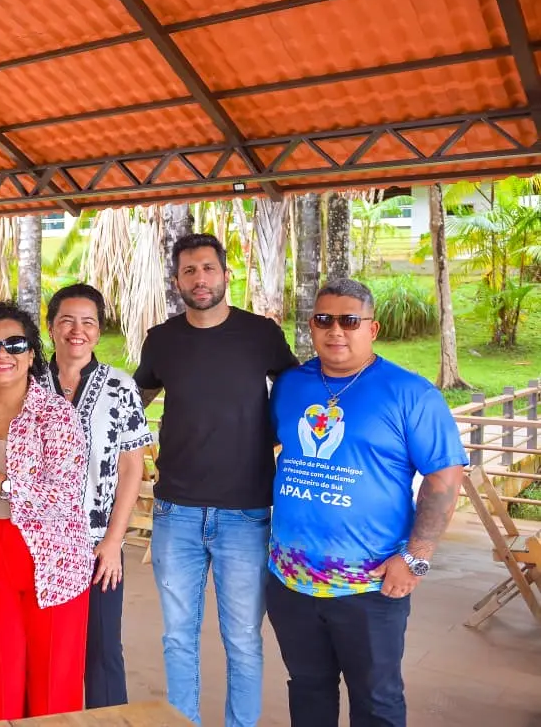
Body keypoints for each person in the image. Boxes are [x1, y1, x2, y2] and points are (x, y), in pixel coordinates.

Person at [266, 278, 466, 727]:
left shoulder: (411, 394)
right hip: (289, 581)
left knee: (376, 700)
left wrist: (416, 557)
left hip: (370, 584)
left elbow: (444, 475)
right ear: (312, 327)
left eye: (349, 321)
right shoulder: (291, 386)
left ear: (371, 330)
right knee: (307, 688)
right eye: (324, 320)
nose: (336, 330)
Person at [133, 232, 299, 726]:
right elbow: (133, 401)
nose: (199, 279)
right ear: (177, 280)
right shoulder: (162, 338)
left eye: (207, 268)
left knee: (244, 638)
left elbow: (295, 393)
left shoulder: (260, 334)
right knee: (178, 635)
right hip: (175, 512)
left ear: (226, 275)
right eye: (189, 270)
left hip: (246, 514)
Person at [0, 301, 94, 721]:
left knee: (52, 682)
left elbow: (65, 495)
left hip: (54, 556)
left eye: (15, 344)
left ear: (32, 353)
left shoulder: (56, 414)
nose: (2, 355)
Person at [43, 283, 152, 708]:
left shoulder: (121, 388)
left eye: (88, 322)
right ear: (51, 327)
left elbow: (132, 467)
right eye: (67, 320)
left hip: (97, 546)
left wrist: (112, 542)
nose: (77, 330)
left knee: (103, 649)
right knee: (49, 649)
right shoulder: (26, 381)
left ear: (98, 330)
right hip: (36, 542)